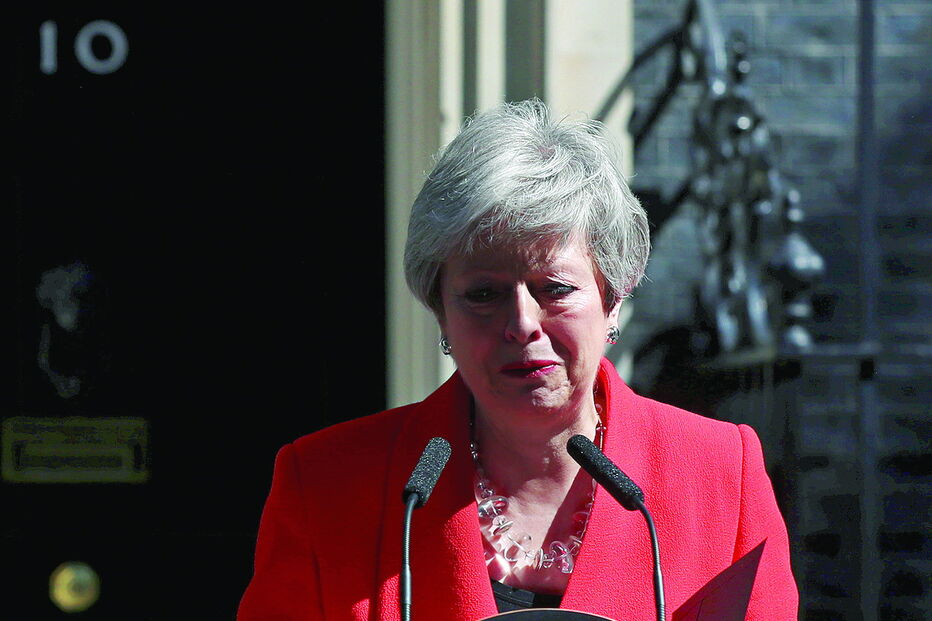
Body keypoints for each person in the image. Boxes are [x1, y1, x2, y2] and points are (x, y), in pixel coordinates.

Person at [237, 99, 798, 620]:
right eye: (483, 293)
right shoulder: (328, 484)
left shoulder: (722, 475)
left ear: (612, 297)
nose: (522, 323)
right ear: (440, 313)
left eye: (554, 287)